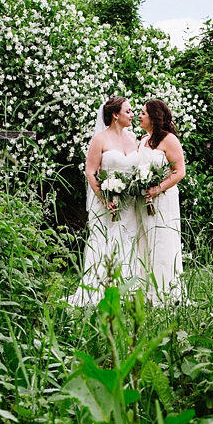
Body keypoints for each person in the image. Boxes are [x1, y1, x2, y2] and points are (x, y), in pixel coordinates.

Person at [69, 97, 141, 307]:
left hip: (130, 201)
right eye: (128, 111)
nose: (132, 115)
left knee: (128, 241)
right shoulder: (100, 139)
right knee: (107, 242)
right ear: (115, 115)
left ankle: (128, 288)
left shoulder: (133, 137)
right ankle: (103, 286)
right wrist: (105, 198)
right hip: (108, 202)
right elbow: (90, 172)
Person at [135, 99, 185, 305]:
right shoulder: (142, 139)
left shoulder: (169, 139)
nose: (139, 116)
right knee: (144, 244)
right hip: (143, 200)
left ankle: (166, 293)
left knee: (162, 243)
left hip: (163, 199)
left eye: (143, 113)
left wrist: (158, 188)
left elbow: (179, 172)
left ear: (154, 117)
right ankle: (147, 292)